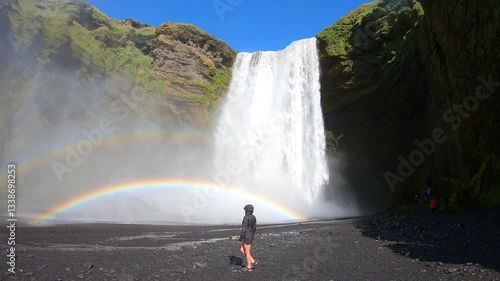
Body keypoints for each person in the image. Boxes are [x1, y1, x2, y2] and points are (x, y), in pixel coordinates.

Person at [239, 204, 257, 272]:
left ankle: (249, 266)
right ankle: (252, 261)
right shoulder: (254, 217)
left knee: (247, 251)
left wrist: (240, 238)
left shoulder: (246, 217)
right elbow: (254, 228)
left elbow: (244, 229)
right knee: (242, 250)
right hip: (250, 236)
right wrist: (252, 236)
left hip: (246, 236)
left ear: (247, 210)